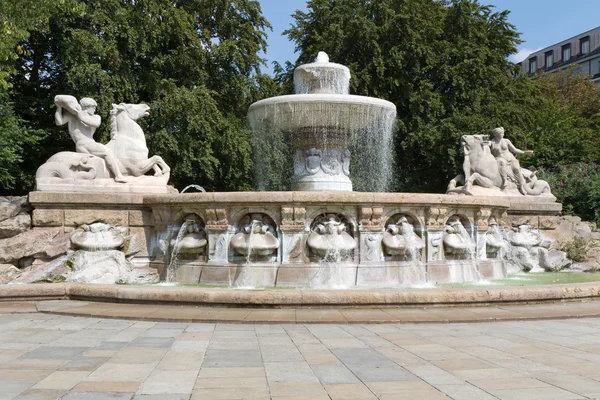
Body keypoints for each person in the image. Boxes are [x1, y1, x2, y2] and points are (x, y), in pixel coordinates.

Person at [55, 96, 129, 182]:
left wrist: (80, 115)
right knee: (107, 152)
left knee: (105, 155)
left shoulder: (95, 117)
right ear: (88, 107)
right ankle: (118, 175)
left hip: (90, 143)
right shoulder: (72, 115)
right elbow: (59, 122)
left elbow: (96, 123)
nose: (94, 110)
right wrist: (59, 107)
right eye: (93, 107)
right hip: (83, 143)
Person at [489, 127, 533, 195]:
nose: (503, 134)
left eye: (503, 133)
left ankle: (521, 186)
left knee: (516, 169)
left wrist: (524, 152)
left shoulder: (506, 141)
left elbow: (514, 150)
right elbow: (486, 145)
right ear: (496, 134)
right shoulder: (492, 142)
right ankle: (504, 180)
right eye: (501, 133)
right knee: (502, 162)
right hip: (499, 158)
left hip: (511, 158)